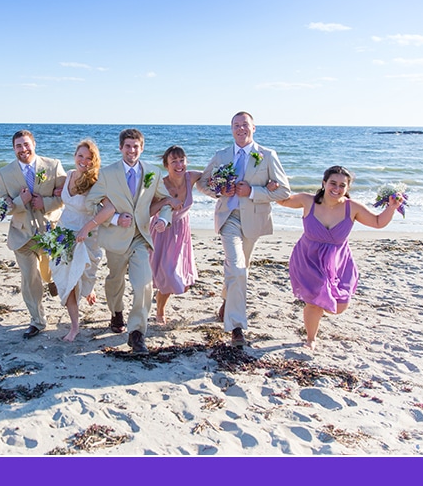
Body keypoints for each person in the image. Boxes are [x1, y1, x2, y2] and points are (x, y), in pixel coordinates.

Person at [277, 165, 404, 350]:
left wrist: (392, 208)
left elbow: (377, 222)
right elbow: (282, 200)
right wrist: (271, 183)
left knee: (339, 306)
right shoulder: (307, 201)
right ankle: (311, 339)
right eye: (332, 183)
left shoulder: (351, 208)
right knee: (314, 303)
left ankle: (318, 311)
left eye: (342, 185)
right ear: (324, 183)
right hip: (308, 259)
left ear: (347, 188)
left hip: (339, 262)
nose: (336, 189)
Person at [196, 111, 291, 347]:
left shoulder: (267, 156)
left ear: (254, 128)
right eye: (236, 125)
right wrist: (220, 191)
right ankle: (236, 326)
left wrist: (253, 192)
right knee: (238, 268)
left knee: (239, 267)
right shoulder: (221, 155)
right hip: (228, 218)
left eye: (245, 125)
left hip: (253, 221)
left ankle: (228, 301)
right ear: (231, 129)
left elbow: (284, 192)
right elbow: (203, 183)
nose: (241, 129)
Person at [86, 128, 172, 354]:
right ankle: (116, 312)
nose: (132, 150)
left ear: (141, 148)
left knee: (144, 284)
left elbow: (165, 201)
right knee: (115, 280)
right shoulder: (107, 174)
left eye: (136, 146)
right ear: (120, 148)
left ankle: (136, 333)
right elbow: (91, 204)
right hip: (115, 239)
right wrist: (114, 218)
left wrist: (164, 220)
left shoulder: (153, 173)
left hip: (140, 238)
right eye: (127, 146)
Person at [0, 130, 66, 339]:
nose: (23, 149)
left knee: (47, 269)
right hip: (21, 234)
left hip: (49, 231)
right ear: (13, 148)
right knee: (29, 277)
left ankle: (51, 279)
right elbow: (0, 207)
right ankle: (37, 320)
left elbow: (66, 196)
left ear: (34, 144)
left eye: (26, 144)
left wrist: (47, 202)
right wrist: (19, 202)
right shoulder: (5, 174)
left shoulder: (52, 166)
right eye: (18, 146)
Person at [46, 140, 116, 341]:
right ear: (74, 155)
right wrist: (56, 193)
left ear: (94, 161)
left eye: (89, 158)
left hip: (86, 237)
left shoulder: (96, 182)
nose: (84, 161)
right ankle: (74, 327)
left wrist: (87, 227)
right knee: (67, 280)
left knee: (83, 276)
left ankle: (88, 289)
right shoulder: (68, 176)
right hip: (63, 233)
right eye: (80, 156)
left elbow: (109, 209)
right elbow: (62, 197)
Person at [149, 145, 202, 325]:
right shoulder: (160, 184)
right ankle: (160, 311)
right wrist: (165, 201)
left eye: (182, 160)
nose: (179, 165)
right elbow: (147, 210)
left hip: (182, 231)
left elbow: (213, 177)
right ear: (166, 165)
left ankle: (159, 306)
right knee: (168, 273)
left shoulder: (192, 177)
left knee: (174, 276)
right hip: (161, 231)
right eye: (174, 162)